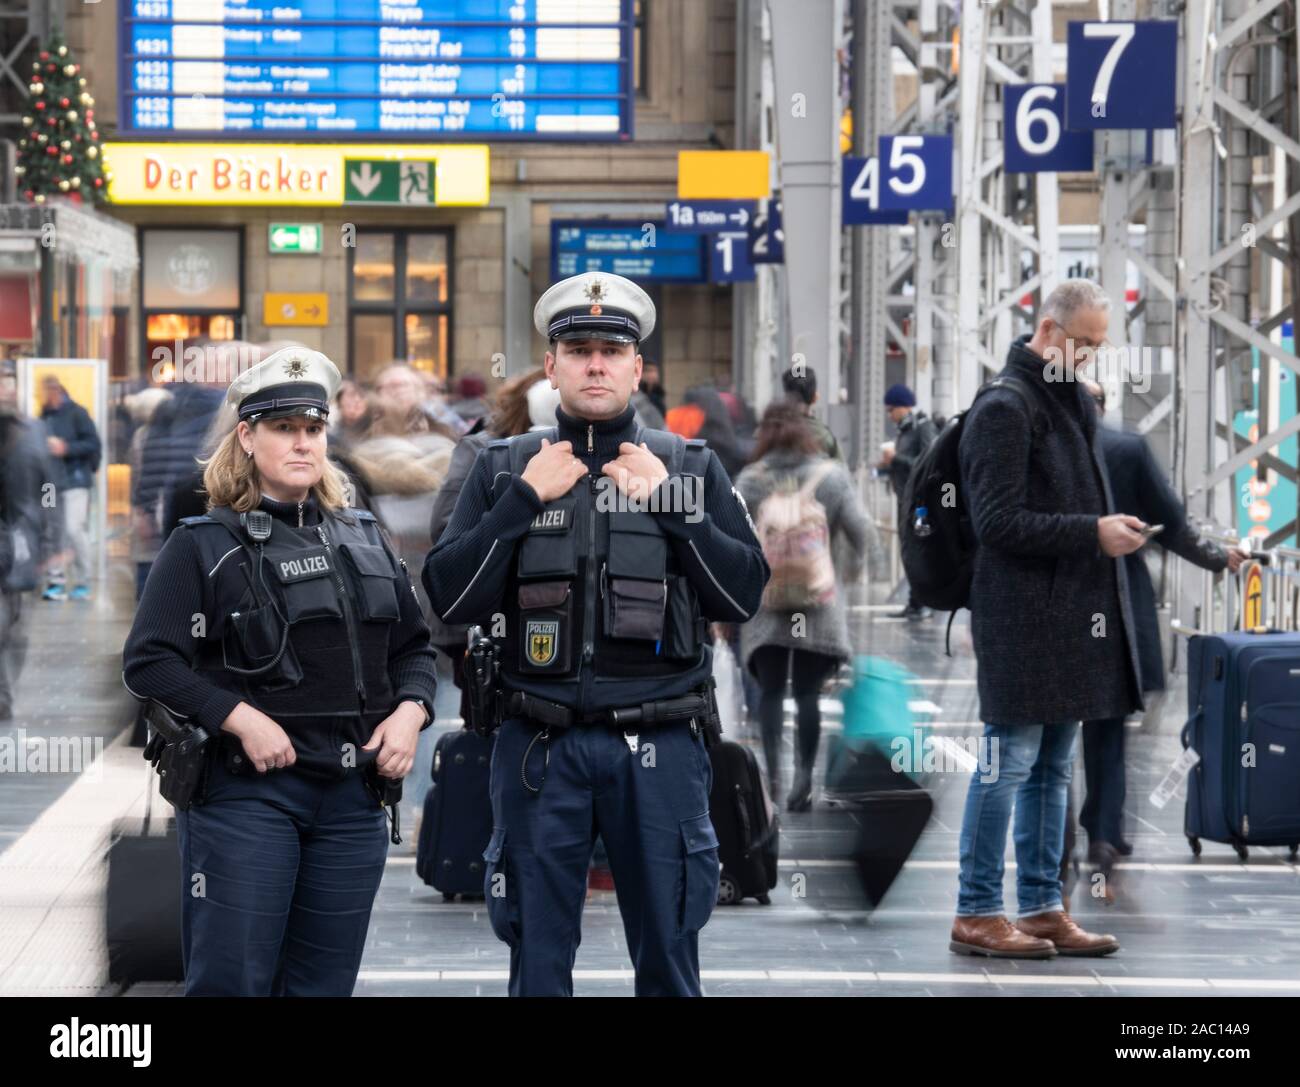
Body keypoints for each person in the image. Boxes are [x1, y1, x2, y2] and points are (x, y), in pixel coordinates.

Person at [423, 271, 768, 997]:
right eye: (578, 349)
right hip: (536, 745)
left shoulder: (690, 466)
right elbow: (449, 592)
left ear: (638, 367)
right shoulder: (502, 465)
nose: (597, 364)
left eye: (613, 351)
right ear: (551, 366)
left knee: (670, 962)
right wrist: (521, 500)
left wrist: (671, 504)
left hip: (662, 743)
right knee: (538, 965)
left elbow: (741, 591)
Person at [122, 346, 438, 997]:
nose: (302, 442)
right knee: (233, 980)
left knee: (323, 984)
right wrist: (240, 718)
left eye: (314, 428)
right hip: (247, 794)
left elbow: (414, 649)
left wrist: (411, 713)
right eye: (284, 427)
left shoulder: (363, 534)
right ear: (247, 435)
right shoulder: (202, 542)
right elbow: (150, 661)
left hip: (354, 797)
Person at [951, 279, 1145, 960]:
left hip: (1070, 616)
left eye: (1100, 344)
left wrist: (1101, 531)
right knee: (1007, 763)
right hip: (1020, 614)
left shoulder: (1071, 404)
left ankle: (1040, 905)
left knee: (1053, 767)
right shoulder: (1005, 407)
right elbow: (996, 522)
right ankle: (976, 909)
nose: (1093, 355)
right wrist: (1093, 531)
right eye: (1085, 342)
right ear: (1051, 331)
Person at [1076, 381, 1247, 875]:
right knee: (1108, 719)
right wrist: (1218, 557)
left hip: (1058, 599)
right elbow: (1172, 523)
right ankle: (1104, 831)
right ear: (1103, 407)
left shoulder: (1045, 444)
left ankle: (1062, 830)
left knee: (1049, 734)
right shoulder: (1126, 448)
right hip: (1116, 601)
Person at [735, 401, 880, 810]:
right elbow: (865, 535)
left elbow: (727, 539)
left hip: (767, 605)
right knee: (808, 695)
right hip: (817, 606)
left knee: (770, 693)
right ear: (806, 433)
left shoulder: (750, 480)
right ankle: (803, 777)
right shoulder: (830, 477)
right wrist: (845, 571)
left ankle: (775, 779)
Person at [1, 360, 60, 720]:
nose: (7, 388)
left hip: (23, 541)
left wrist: (53, 534)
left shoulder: (34, 430)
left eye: (10, 381)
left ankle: (5, 691)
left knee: (16, 628)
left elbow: (49, 485)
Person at [877, 383, 938, 620]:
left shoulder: (923, 428)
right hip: (905, 500)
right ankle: (915, 602)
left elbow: (928, 463)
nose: (889, 415)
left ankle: (923, 603)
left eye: (891, 410)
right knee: (909, 551)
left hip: (920, 502)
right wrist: (888, 464)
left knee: (920, 550)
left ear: (903, 407)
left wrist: (897, 458)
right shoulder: (904, 431)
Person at [38, 377, 101, 602]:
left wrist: (66, 448)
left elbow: (93, 443)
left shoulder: (77, 413)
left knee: (74, 529)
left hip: (75, 480)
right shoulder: (43, 417)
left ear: (58, 390)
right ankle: (55, 581)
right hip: (49, 484)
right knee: (52, 532)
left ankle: (83, 580)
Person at [781, 366, 843, 462]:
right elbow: (842, 472)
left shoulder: (769, 432)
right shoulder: (826, 437)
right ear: (815, 398)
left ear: (785, 397)